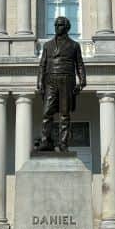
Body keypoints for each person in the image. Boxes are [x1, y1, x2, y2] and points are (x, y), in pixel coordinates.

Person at [35, 15, 87, 152]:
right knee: (47, 112)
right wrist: (39, 82)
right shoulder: (48, 45)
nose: (58, 27)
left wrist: (82, 81)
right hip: (50, 80)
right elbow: (42, 65)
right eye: (56, 25)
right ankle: (46, 141)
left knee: (65, 114)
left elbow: (79, 64)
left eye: (61, 25)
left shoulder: (74, 45)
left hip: (66, 80)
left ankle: (63, 143)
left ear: (67, 27)